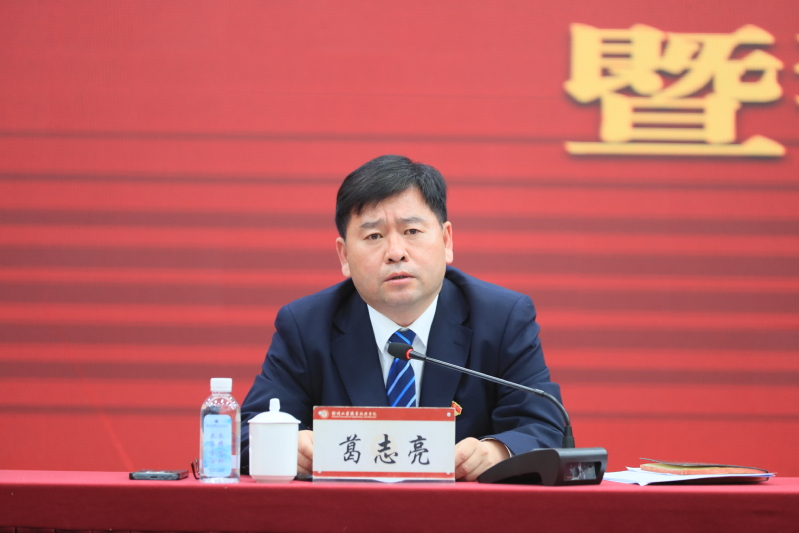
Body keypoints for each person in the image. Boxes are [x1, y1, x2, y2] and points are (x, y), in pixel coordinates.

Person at [240, 154, 564, 480]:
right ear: (345, 255)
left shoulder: (501, 319)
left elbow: (544, 427)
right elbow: (245, 434)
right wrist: (285, 447)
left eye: (411, 230)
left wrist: (497, 451)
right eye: (374, 236)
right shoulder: (306, 325)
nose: (396, 252)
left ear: (446, 240)